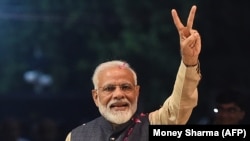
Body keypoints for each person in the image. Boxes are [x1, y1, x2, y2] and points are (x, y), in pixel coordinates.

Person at [65, 5, 201, 141]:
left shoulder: (154, 124)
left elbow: (179, 107)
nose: (118, 94)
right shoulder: (77, 136)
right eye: (109, 88)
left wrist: (189, 61)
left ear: (137, 92)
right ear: (96, 97)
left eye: (126, 87)